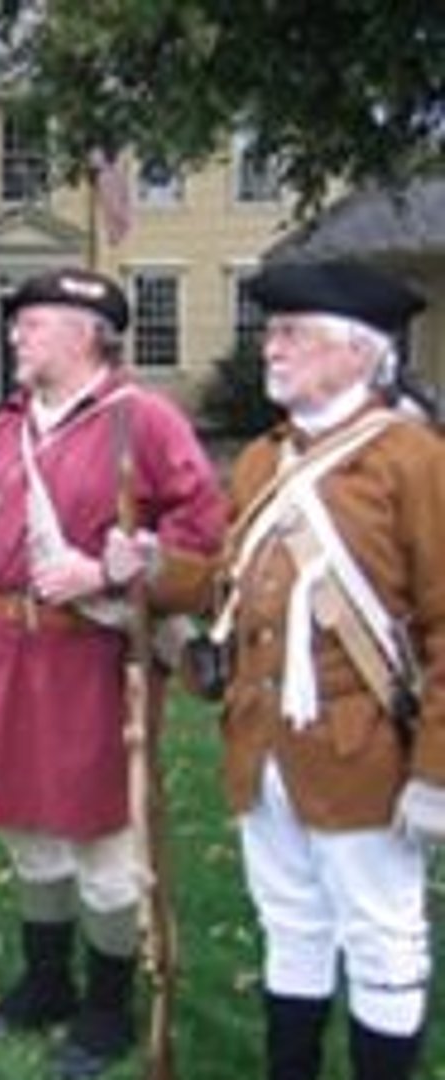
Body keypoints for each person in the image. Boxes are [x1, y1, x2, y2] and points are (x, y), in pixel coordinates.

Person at [0, 267, 225, 1073]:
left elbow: (203, 538)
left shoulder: (143, 421)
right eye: (17, 323)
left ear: (86, 333)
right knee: (27, 827)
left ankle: (106, 1009)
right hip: (3, 652)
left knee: (101, 836)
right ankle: (45, 984)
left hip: (91, 658)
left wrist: (109, 570)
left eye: (31, 323)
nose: (15, 336)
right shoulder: (7, 429)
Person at [198, 261, 443, 1080]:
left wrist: (436, 772)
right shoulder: (263, 461)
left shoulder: (413, 461)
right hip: (262, 738)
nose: (271, 347)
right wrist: (154, 571)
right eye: (272, 332)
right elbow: (232, 586)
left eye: (292, 333)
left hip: (361, 747)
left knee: (382, 936)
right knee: (291, 923)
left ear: (359, 352)